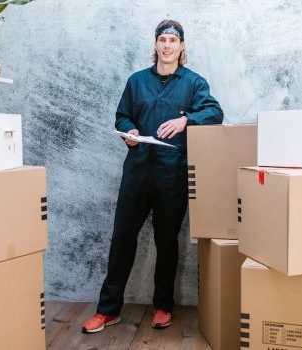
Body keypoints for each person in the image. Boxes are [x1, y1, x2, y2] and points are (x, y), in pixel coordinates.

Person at [82, 19, 224, 334]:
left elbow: (215, 113)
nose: (167, 46)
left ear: (182, 46)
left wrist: (186, 120)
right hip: (137, 172)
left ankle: (162, 306)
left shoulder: (194, 83)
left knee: (167, 242)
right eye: (162, 40)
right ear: (156, 45)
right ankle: (108, 310)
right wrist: (129, 131)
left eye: (173, 40)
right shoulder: (136, 81)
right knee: (121, 239)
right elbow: (122, 115)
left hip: (171, 174)